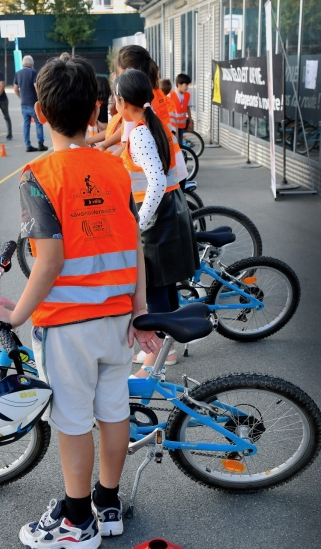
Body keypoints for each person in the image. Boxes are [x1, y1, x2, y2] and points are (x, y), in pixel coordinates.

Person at [0, 57, 160, 549]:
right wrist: (139, 309)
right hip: (119, 317)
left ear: (39, 112)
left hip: (69, 327)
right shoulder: (116, 169)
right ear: (97, 109)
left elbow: (50, 259)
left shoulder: (37, 175)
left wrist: (15, 314)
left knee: (73, 420)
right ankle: (108, 502)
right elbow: (135, 243)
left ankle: (77, 521)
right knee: (114, 409)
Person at [115, 69, 200, 376]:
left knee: (154, 291)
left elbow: (156, 181)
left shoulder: (139, 132)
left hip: (157, 219)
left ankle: (155, 362)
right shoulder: (154, 122)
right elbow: (175, 173)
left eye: (115, 97)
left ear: (123, 101)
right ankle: (168, 351)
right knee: (164, 288)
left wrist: (138, 222)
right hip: (171, 211)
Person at [116, 45, 188, 190]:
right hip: (174, 167)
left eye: (118, 72)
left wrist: (104, 160)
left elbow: (127, 145)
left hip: (161, 179)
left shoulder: (134, 103)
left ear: (127, 71)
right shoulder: (152, 93)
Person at [13, 55, 48, 152]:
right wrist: (40, 98)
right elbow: (36, 86)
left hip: (23, 103)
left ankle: (28, 145)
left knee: (26, 124)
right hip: (33, 102)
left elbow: (15, 89)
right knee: (38, 123)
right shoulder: (33, 72)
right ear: (32, 64)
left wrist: (21, 97)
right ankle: (40, 143)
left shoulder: (18, 73)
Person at [170, 73, 194, 145]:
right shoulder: (170, 95)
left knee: (180, 144)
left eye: (188, 85)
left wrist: (190, 121)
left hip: (182, 125)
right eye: (186, 85)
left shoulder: (187, 95)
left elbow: (188, 109)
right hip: (173, 126)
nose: (187, 87)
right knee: (175, 144)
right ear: (179, 84)